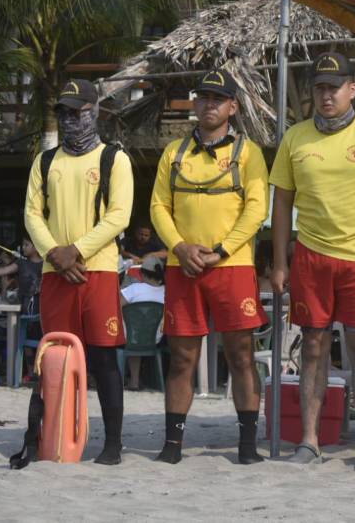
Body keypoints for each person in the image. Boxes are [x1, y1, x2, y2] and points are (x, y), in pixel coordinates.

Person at [269, 52, 355, 470]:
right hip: (311, 256)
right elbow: (282, 203)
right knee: (312, 346)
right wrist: (278, 262)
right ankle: (309, 440)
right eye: (319, 88)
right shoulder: (295, 137)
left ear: (353, 90)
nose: (326, 95)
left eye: (334, 87)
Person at [150, 71, 270, 465]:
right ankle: (172, 444)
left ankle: (248, 444)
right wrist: (180, 247)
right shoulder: (174, 152)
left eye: (217, 99)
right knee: (182, 357)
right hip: (181, 266)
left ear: (232, 107)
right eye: (202, 97)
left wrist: (221, 250)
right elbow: (158, 207)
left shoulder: (248, 152)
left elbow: (257, 208)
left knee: (241, 356)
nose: (208, 105)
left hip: (232, 267)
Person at [21, 78, 133, 466]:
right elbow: (32, 214)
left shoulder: (113, 158)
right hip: (55, 273)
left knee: (104, 360)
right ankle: (50, 437)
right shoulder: (45, 160)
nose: (71, 120)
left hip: (96, 272)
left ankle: (113, 444)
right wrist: (54, 253)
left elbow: (119, 216)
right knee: (54, 357)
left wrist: (77, 251)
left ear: (95, 111)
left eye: (78, 112)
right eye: (64, 113)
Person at [119, 255, 166, 390]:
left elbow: (114, 306)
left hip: (131, 338)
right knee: (139, 333)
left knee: (133, 334)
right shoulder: (167, 292)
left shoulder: (134, 289)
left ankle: (133, 380)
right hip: (157, 338)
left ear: (142, 273)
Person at [0, 238, 43, 313]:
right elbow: (6, 270)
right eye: (23, 244)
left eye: (26, 245)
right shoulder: (21, 262)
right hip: (22, 301)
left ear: (36, 247)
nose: (23, 247)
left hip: (37, 303)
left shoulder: (45, 265)